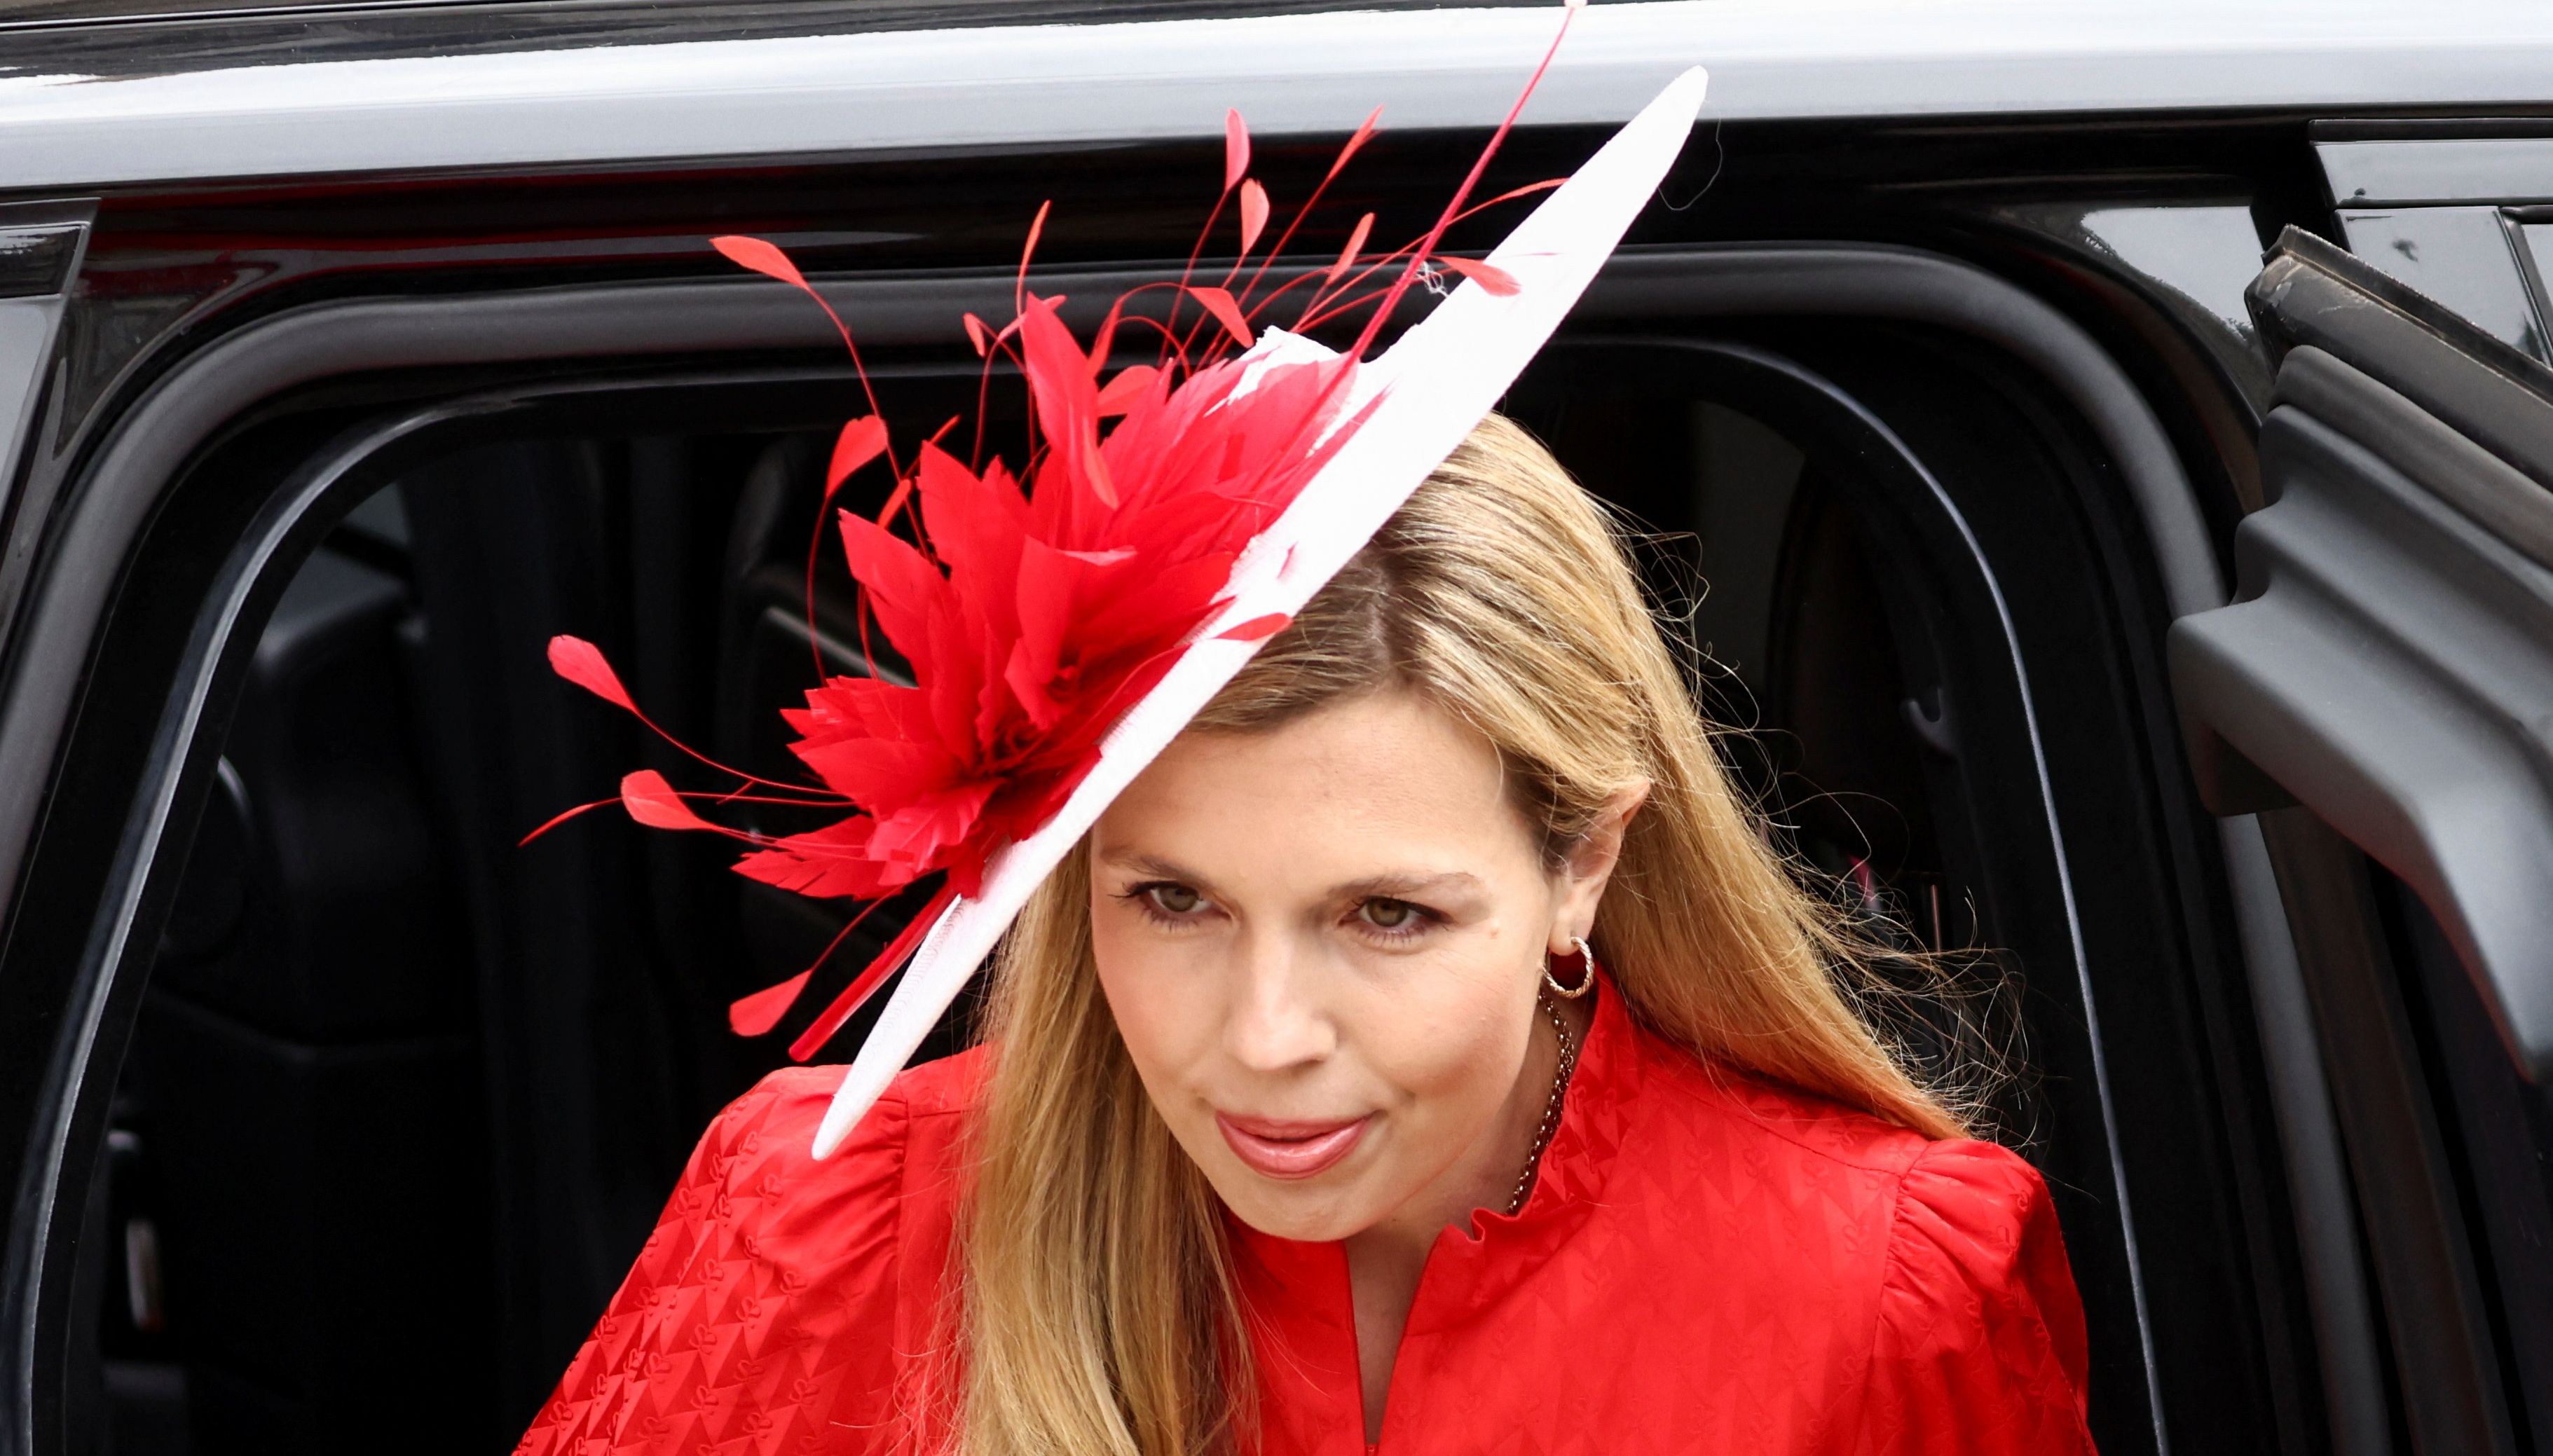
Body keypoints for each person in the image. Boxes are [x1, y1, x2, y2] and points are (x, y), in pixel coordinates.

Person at [515, 34, 2093, 1456]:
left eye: (1384, 914)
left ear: (1582, 862)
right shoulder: (832, 1231)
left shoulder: (1873, 1288)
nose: (1265, 1038)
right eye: (1172, 899)